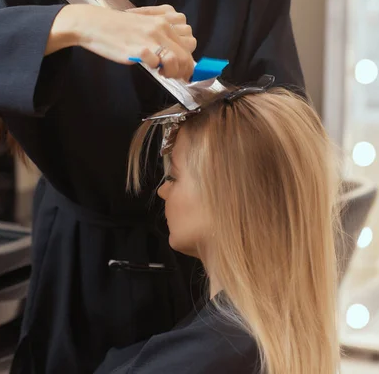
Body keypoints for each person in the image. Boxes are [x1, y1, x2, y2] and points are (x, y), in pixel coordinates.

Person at [0, 0, 304, 374]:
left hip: (205, 267)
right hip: (79, 260)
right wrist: (74, 25)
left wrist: (216, 95)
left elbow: (281, 112)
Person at [94, 83, 341, 374]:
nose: (162, 193)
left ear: (225, 200)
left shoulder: (206, 358)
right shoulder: (275, 332)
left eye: (172, 177)